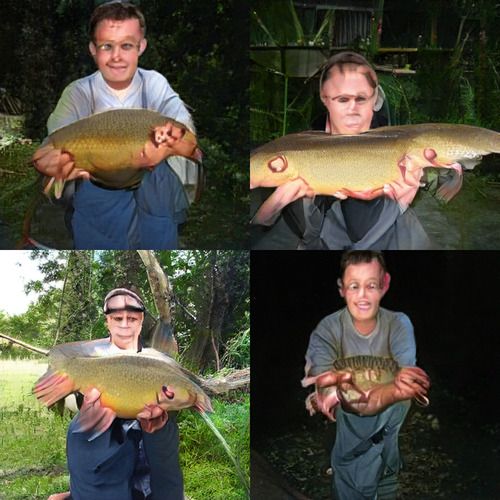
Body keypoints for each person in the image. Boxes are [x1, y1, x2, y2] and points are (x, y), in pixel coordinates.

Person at [33, 1, 196, 250]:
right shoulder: (77, 93)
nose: (117, 56)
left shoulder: (155, 84)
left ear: (141, 46)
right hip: (99, 201)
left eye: (126, 46)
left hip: (154, 198)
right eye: (107, 46)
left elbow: (186, 135)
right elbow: (52, 147)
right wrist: (52, 164)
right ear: (92, 49)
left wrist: (164, 150)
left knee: (158, 241)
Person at [250, 51, 433, 250]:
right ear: (325, 99)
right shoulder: (285, 156)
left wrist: (397, 208)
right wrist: (267, 214)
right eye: (342, 99)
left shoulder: (403, 163)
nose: (352, 109)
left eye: (361, 99)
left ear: (376, 100)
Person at [302, 251, 430, 499]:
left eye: (371, 285)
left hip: (388, 452)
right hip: (353, 457)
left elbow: (407, 377)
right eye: (354, 286)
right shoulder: (328, 330)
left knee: (386, 486)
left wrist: (399, 389)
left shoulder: (399, 324)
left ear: (385, 284)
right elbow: (326, 385)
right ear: (341, 288)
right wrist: (327, 393)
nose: (362, 296)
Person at [48, 287, 183, 500]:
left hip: (149, 445)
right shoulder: (89, 356)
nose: (124, 325)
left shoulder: (158, 361)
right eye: (117, 318)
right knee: (83, 434)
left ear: (140, 321)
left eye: (132, 318)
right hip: (103, 453)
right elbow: (66, 402)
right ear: (107, 322)